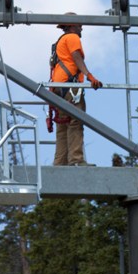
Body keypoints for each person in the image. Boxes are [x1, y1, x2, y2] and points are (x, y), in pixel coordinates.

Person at [50, 12, 103, 166]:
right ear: (72, 25)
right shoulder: (73, 38)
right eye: (80, 25)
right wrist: (89, 75)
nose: (81, 28)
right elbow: (76, 57)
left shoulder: (59, 42)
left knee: (63, 125)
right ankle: (76, 160)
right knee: (75, 121)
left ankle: (60, 163)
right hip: (70, 86)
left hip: (58, 86)